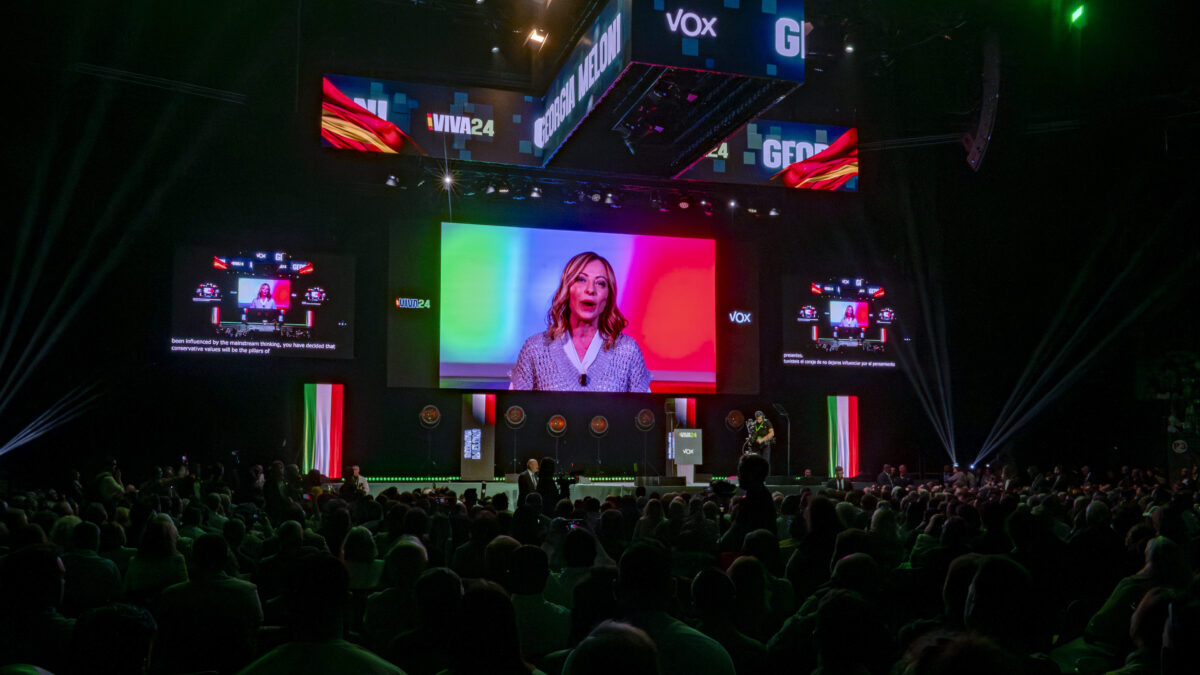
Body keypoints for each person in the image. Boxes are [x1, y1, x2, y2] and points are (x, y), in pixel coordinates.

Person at [509, 251, 652, 392]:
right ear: (567, 289)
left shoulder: (627, 351)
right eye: (581, 279)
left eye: (601, 283)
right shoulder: (535, 349)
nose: (590, 289)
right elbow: (515, 411)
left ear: (608, 297)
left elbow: (645, 413)